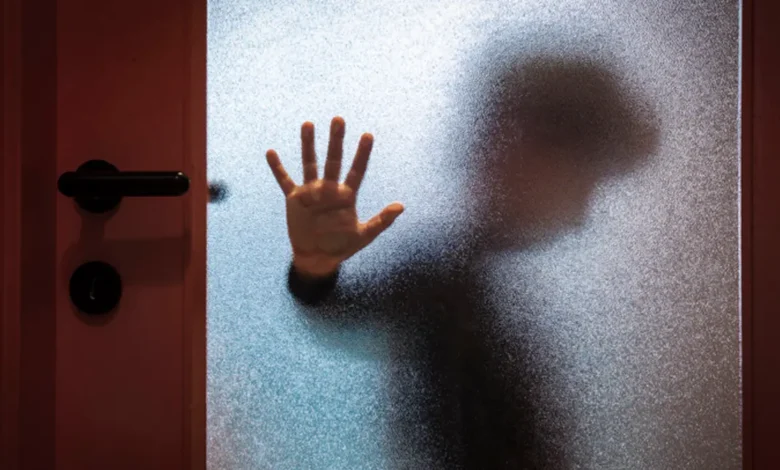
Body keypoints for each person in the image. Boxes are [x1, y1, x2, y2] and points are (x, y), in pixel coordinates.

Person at [266, 57, 656, 468]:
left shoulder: (472, 277)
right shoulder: (442, 274)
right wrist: (315, 265)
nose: (580, 217)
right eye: (582, 184)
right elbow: (345, 306)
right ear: (518, 147)